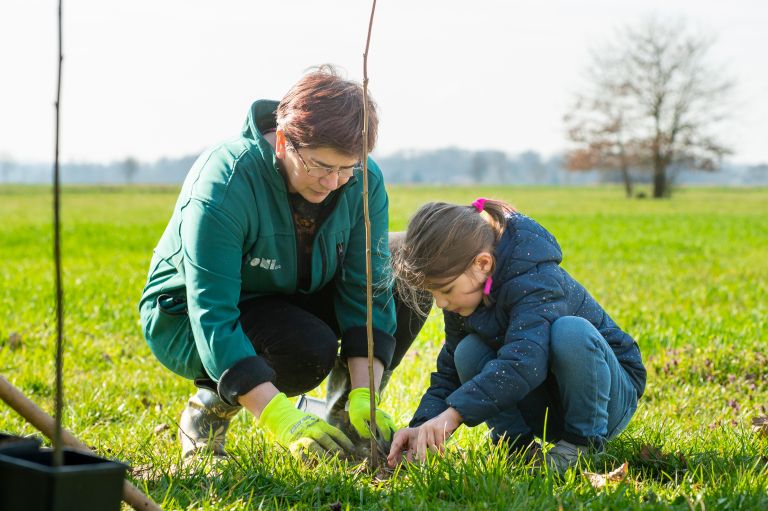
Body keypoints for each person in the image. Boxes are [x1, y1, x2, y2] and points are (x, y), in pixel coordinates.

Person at [138, 66, 427, 459]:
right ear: (283, 143)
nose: (333, 183)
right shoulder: (223, 183)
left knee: (407, 270)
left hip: (292, 290)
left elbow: (368, 291)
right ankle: (211, 409)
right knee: (308, 350)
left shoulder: (362, 181)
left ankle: (348, 425)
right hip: (189, 318)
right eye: (321, 167)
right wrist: (279, 416)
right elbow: (212, 313)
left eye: (347, 168)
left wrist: (366, 394)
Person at [386, 198, 646, 472]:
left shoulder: (534, 279)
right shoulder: (467, 292)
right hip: (549, 401)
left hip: (605, 399)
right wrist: (420, 426)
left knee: (570, 332)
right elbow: (450, 370)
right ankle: (515, 446)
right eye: (434, 294)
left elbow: (526, 361)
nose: (440, 304)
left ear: (482, 264)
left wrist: (455, 413)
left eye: (446, 291)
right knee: (467, 351)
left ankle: (583, 443)